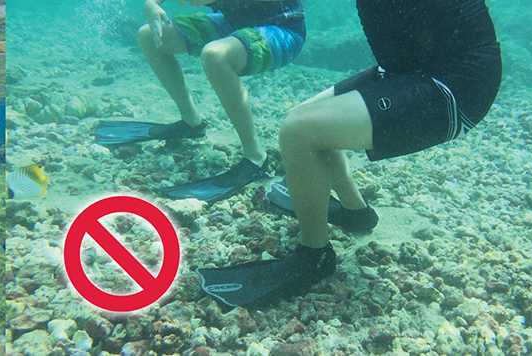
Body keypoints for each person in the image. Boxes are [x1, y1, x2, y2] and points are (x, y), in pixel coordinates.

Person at [196, 0, 501, 307]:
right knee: (307, 115)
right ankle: (356, 212)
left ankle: (314, 256)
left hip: (457, 84)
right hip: (413, 68)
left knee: (299, 130)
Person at [95, 0, 305, 202]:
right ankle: (191, 122)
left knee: (215, 56)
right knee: (149, 35)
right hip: (232, 21)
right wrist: (150, 3)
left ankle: (256, 155)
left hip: (281, 28)